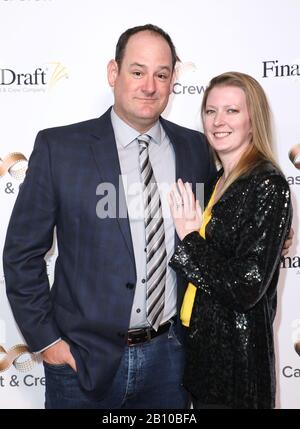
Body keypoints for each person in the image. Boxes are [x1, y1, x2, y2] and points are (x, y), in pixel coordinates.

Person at [2, 26, 293, 409]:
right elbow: (21, 254)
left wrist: (274, 234)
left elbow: (228, 219)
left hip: (171, 361)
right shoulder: (60, 148)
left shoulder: (196, 148)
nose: (149, 86)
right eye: (137, 72)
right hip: (83, 363)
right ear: (113, 73)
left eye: (161, 74)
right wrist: (48, 343)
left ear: (173, 80)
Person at [168, 71, 293, 409]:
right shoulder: (216, 181)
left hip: (236, 366)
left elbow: (246, 286)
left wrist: (191, 238)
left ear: (254, 121)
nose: (218, 121)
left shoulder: (267, 183)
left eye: (232, 111)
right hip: (200, 355)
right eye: (211, 111)